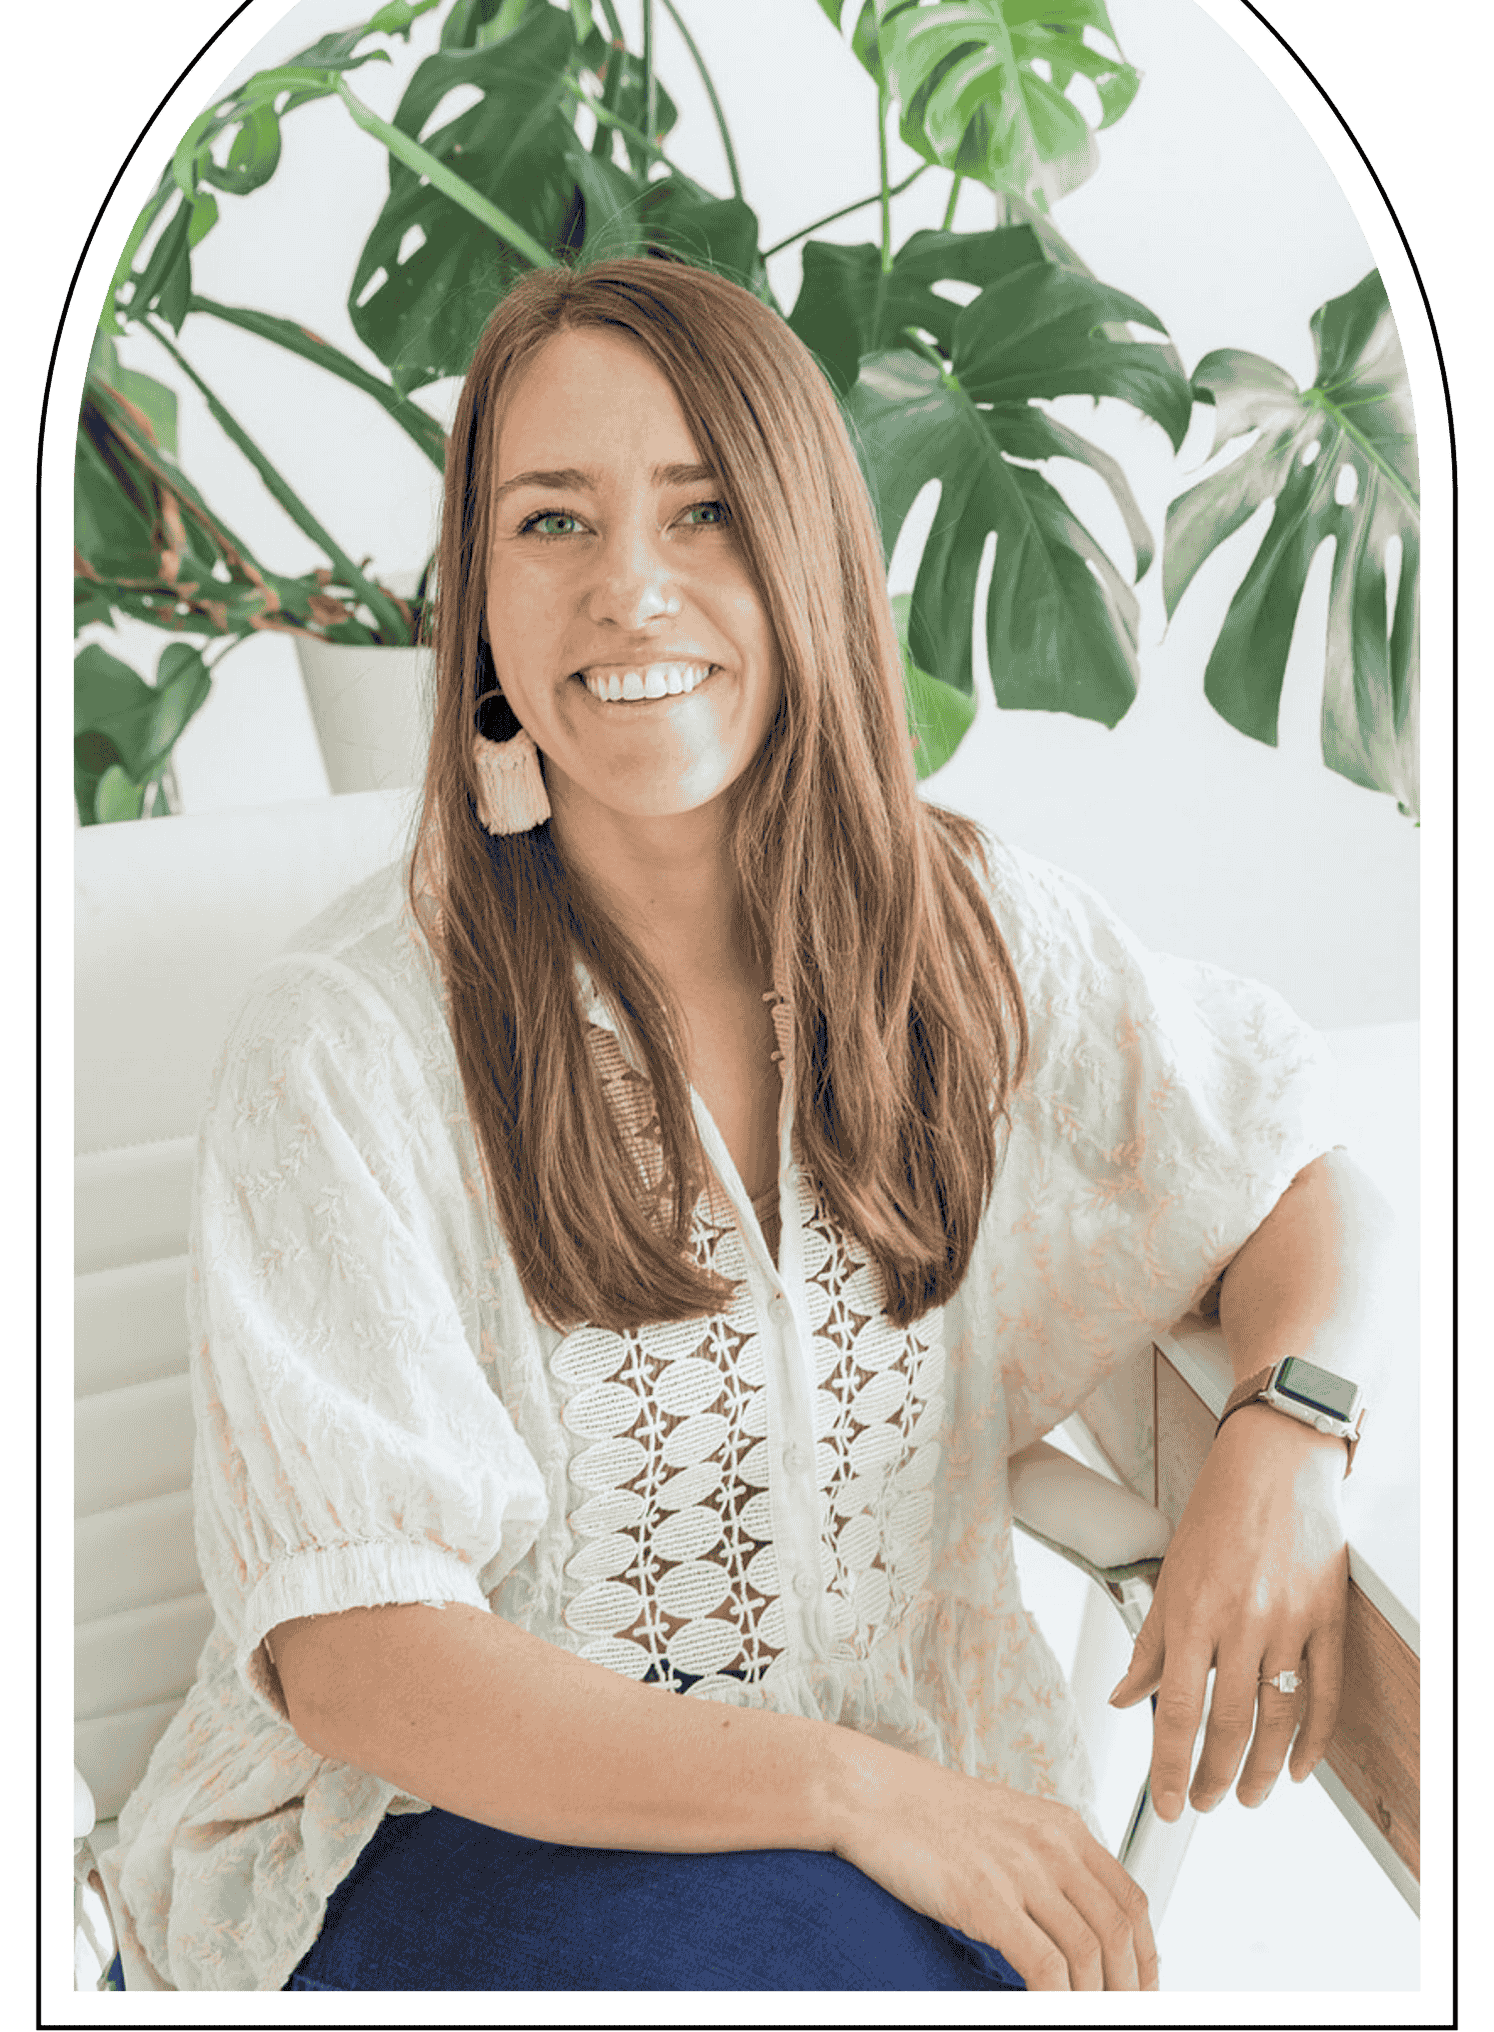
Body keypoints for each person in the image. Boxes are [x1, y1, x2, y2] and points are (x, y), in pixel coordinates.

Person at [100, 255, 1388, 1994]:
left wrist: (1284, 1435)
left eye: (701, 509)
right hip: (427, 1851)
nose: (630, 589)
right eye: (551, 522)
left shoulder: (965, 933)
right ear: (476, 596)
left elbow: (1288, 1159)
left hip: (894, 1843)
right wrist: (848, 1796)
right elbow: (360, 1662)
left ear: (802, 555)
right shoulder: (347, 1040)